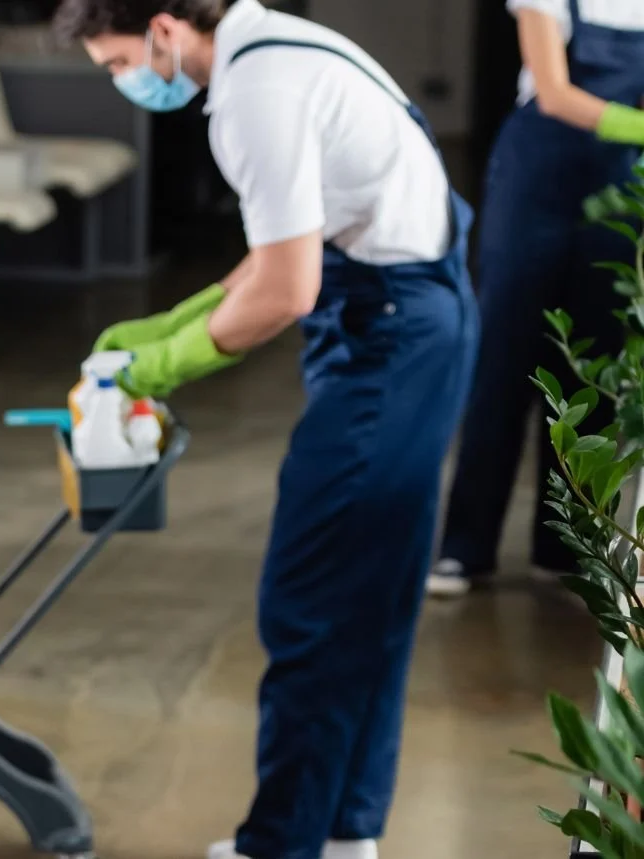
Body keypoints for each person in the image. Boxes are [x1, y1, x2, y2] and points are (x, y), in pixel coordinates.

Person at [52, 1, 478, 857]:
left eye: (117, 62)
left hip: (387, 331)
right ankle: (347, 830)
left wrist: (162, 366)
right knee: (374, 592)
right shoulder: (276, 46)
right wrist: (173, 321)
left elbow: (288, 288)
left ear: (165, 31)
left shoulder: (255, 93)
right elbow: (283, 243)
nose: (123, 83)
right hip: (415, 309)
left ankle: (282, 843)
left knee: (311, 595)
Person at [427, 0, 644, 598]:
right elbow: (554, 92)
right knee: (504, 356)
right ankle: (464, 549)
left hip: (619, 184)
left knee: (591, 365)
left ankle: (567, 547)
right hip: (537, 180)